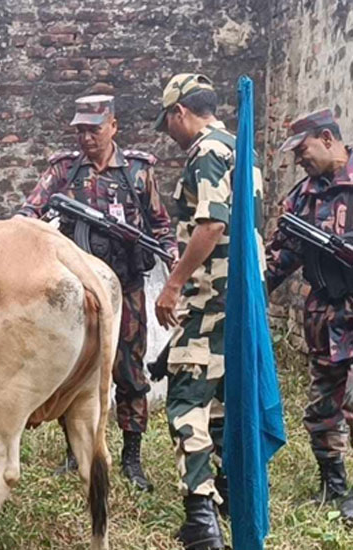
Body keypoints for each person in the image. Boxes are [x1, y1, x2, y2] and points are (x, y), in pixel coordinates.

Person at [17, 94, 176, 492]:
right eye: (80, 130)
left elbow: (161, 226)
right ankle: (74, 451)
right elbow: (28, 212)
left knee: (129, 370)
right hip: (77, 294)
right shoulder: (64, 171)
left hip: (126, 288)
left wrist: (173, 262)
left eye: (94, 129)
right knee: (72, 369)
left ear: (113, 127)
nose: (87, 137)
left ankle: (131, 457)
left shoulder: (138, 173)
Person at [154, 73, 263, 550]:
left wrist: (173, 284)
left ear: (181, 112)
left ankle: (200, 517)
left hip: (209, 298)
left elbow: (213, 222)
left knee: (184, 401)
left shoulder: (205, 152)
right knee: (217, 404)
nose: (169, 134)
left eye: (168, 123)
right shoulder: (241, 148)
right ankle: (224, 500)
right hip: (239, 295)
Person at [265, 109, 353, 522]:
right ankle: (333, 487)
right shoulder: (301, 197)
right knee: (322, 407)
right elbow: (282, 255)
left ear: (327, 138)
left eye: (303, 150)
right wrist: (251, 288)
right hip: (324, 317)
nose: (299, 159)